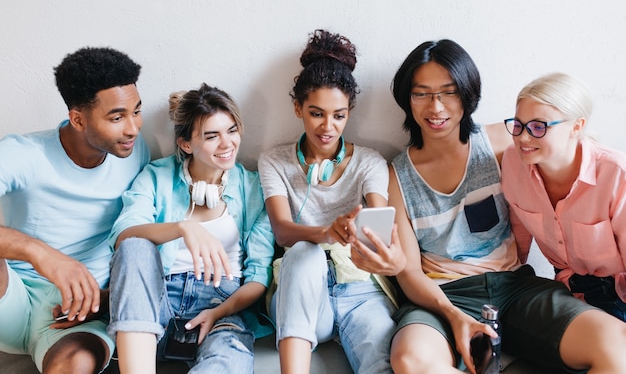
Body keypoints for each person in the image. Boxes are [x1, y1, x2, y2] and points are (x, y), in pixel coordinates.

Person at [380, 39, 626, 374]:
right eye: (421, 93)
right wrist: (454, 317)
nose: (435, 107)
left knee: (616, 346)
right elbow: (408, 272)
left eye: (448, 92)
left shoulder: (504, 143)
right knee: (410, 361)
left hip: (515, 287)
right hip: (442, 295)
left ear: (467, 95)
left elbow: (565, 153)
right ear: (407, 99)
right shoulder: (395, 175)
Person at [258, 29, 400, 374]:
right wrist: (327, 233)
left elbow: (379, 220)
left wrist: (383, 248)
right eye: (316, 113)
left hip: (359, 290)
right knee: (305, 254)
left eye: (339, 115)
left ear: (349, 112)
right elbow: (282, 232)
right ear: (298, 108)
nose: (328, 127)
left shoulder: (369, 162)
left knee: (381, 362)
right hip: (302, 295)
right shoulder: (274, 161)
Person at [0, 47, 149, 373]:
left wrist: (109, 300)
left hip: (81, 313)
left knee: (76, 363)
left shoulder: (136, 154)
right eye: (117, 117)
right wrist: (41, 253)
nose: (133, 128)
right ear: (77, 119)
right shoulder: (24, 154)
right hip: (12, 296)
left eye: (136, 111)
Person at [107, 83, 275, 374]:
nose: (227, 144)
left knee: (230, 361)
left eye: (232, 130)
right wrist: (183, 228)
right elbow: (124, 236)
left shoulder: (255, 188)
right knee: (135, 246)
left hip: (222, 304)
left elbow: (259, 276)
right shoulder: (156, 176)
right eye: (212, 136)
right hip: (156, 304)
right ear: (186, 144)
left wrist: (218, 313)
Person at [502, 72, 626, 321]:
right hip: (566, 289)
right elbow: (518, 241)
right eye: (518, 125)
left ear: (576, 126)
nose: (523, 138)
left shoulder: (615, 174)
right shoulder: (513, 163)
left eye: (538, 127)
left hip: (617, 295)